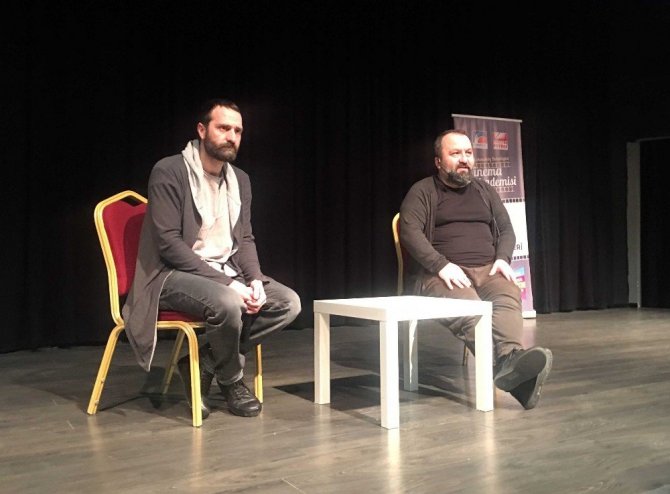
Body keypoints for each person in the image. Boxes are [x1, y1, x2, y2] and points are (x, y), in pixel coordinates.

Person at [122, 99, 301, 419]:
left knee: (288, 303)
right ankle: (232, 381)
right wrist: (229, 285)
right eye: (223, 128)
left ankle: (203, 362)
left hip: (224, 270)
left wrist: (254, 280)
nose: (231, 136)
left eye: (238, 131)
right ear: (202, 130)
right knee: (228, 303)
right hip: (170, 274)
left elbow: (244, 239)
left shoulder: (240, 179)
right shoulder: (169, 171)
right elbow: (169, 244)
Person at [398, 129, 552, 410]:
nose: (464, 159)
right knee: (471, 309)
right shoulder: (423, 191)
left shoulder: (484, 190)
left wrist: (502, 258)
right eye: (455, 153)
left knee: (508, 294)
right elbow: (409, 232)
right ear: (438, 161)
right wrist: (441, 264)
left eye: (468, 153)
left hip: (487, 269)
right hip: (441, 275)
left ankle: (509, 358)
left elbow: (506, 228)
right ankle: (512, 372)